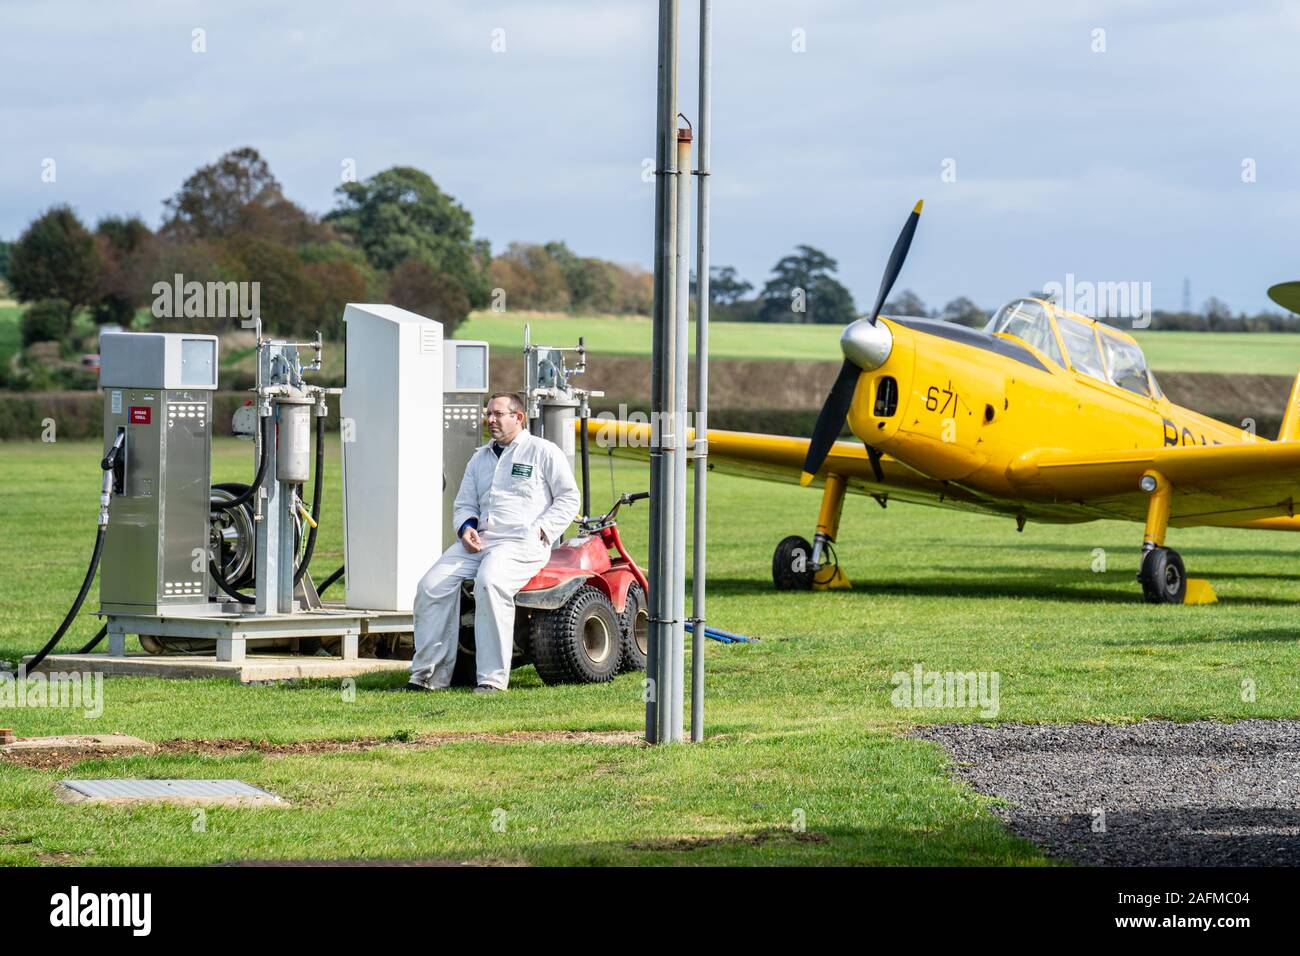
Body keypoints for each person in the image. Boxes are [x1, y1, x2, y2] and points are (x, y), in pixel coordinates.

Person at [408, 392, 581, 693]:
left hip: (521, 544)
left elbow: (569, 497)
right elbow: (464, 504)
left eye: (498, 414)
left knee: (489, 582)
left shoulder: (542, 451)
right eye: (488, 414)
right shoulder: (480, 458)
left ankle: (491, 679)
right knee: (431, 585)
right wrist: (465, 528)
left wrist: (542, 530)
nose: (490, 420)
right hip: (480, 543)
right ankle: (427, 677)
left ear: (518, 417)